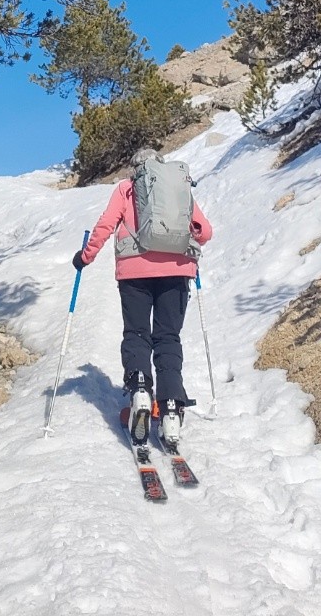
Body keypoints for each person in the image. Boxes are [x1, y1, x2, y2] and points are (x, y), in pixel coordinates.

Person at [71, 149, 212, 449]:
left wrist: (85, 257)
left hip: (134, 273)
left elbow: (106, 225)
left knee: (137, 333)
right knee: (168, 337)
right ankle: (172, 410)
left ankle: (140, 392)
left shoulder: (126, 188)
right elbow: (204, 231)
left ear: (134, 168)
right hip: (177, 270)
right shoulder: (177, 188)